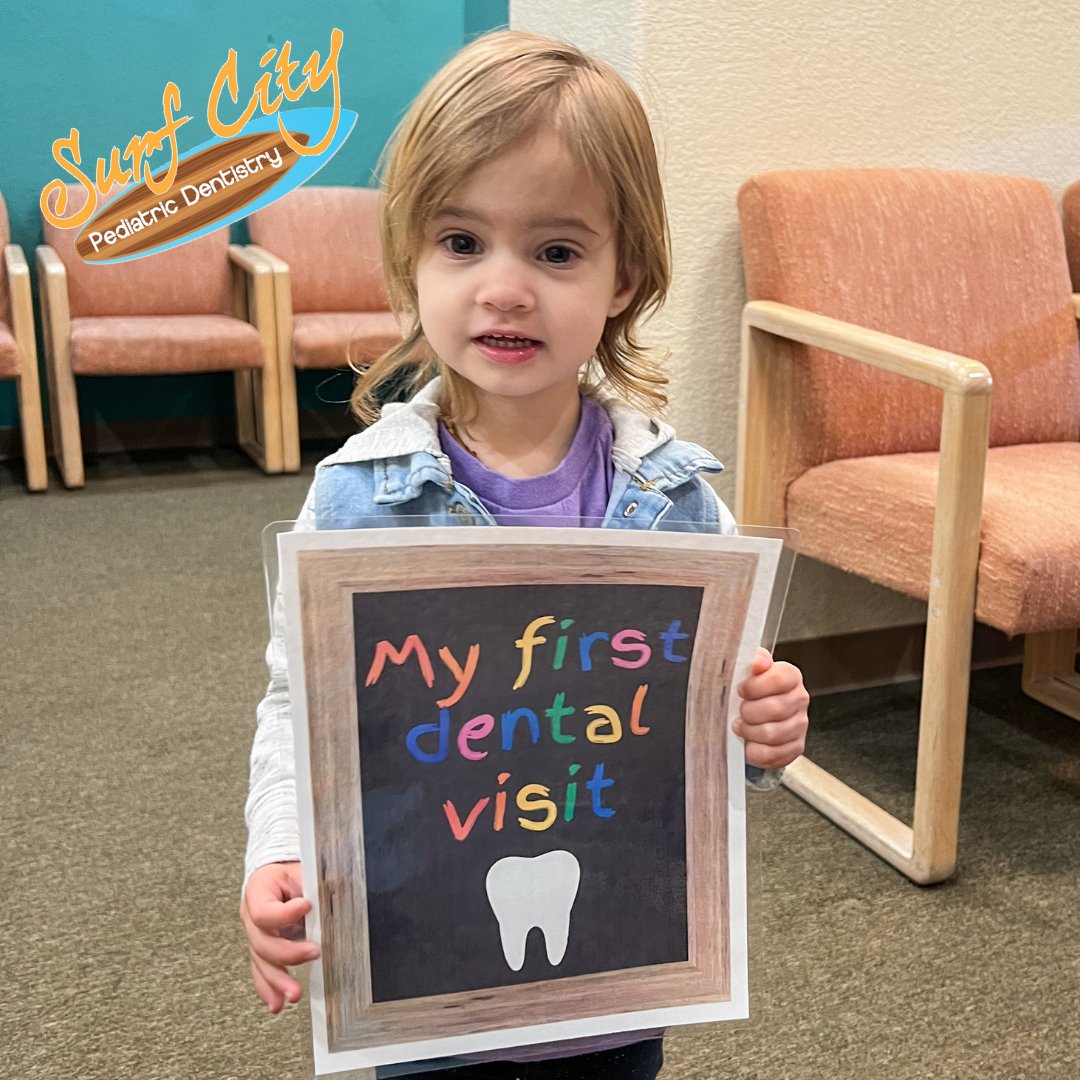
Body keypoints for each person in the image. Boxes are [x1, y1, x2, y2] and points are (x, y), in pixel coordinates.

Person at [241, 29, 809, 1080]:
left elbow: (709, 730)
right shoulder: (357, 502)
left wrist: (762, 730)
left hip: (615, 972)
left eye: (555, 252)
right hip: (427, 966)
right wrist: (277, 849)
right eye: (462, 242)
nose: (504, 288)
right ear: (410, 253)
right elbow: (299, 710)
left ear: (624, 277)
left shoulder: (680, 504)